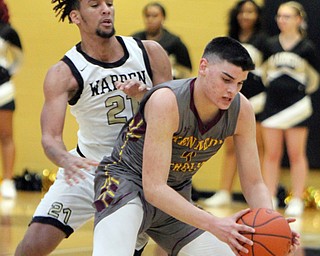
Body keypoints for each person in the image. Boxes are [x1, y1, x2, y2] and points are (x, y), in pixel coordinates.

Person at [93, 36, 299, 256]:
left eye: (240, 83)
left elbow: (254, 182)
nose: (232, 90)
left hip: (176, 194)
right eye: (226, 79)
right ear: (203, 67)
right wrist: (214, 223)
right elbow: (154, 188)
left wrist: (271, 223)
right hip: (125, 183)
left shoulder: (242, 110)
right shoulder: (167, 101)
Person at [14, 0, 172, 255]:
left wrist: (146, 95)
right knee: (30, 247)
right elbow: (50, 137)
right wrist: (65, 159)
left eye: (109, 3)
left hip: (137, 174)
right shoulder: (64, 72)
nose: (106, 9)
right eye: (95, 5)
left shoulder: (150, 53)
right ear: (76, 16)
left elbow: (175, 117)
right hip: (87, 169)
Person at [204, 0, 266, 207]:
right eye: (242, 12)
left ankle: (263, 193)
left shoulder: (264, 42)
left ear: (257, 16)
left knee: (256, 148)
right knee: (229, 147)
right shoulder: (230, 41)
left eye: (250, 12)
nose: (245, 16)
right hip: (232, 98)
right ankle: (224, 191)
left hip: (257, 101)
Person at [261, 1, 320, 217]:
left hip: (297, 106)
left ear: (298, 20)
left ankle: (296, 198)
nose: (281, 20)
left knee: (296, 154)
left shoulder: (307, 48)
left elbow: (314, 79)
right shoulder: (268, 44)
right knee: (272, 154)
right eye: (279, 16)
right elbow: (262, 73)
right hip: (273, 105)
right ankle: (268, 196)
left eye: (286, 16)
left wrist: (299, 94)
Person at [132, 1, 192, 79]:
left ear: (163, 17)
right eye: (147, 16)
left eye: (155, 16)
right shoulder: (135, 40)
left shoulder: (174, 42)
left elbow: (186, 70)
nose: (150, 19)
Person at [0, 0, 23, 199]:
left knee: (6, 135)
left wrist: (6, 72)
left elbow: (18, 59)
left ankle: (7, 180)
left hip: (3, 91)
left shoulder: (7, 31)